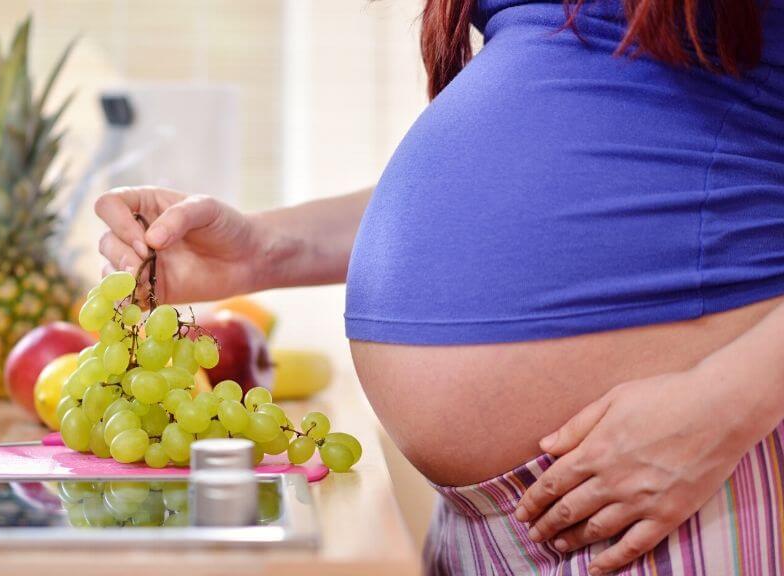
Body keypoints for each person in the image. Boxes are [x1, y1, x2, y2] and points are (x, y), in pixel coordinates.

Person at [95, 0, 784, 574]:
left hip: (679, 472)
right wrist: (264, 254)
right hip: (492, 519)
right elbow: (531, 177)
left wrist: (720, 408)